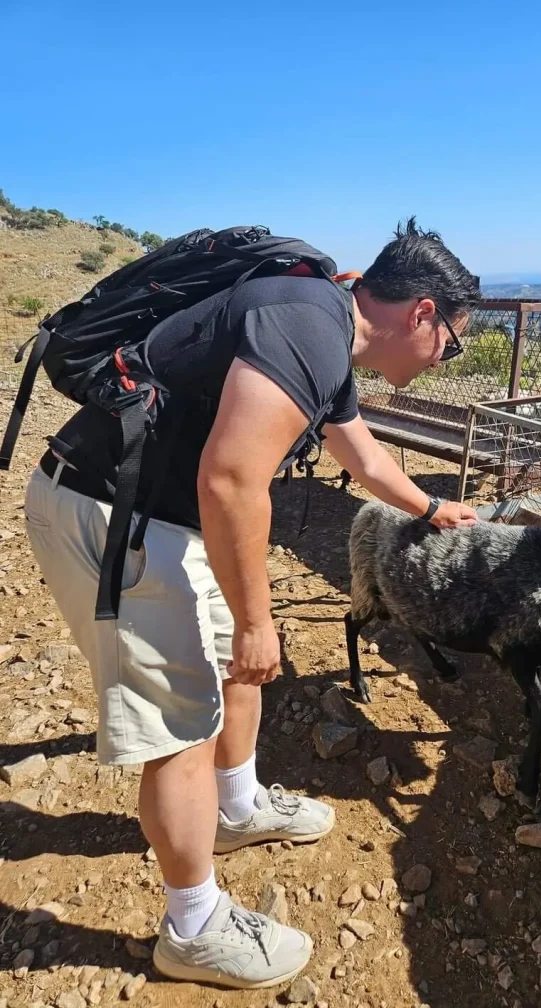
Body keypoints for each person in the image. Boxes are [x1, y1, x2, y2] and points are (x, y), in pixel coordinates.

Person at [23, 217, 481, 990]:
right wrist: (259, 619)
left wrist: (432, 509)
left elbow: (359, 452)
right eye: (452, 343)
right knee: (181, 725)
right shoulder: (308, 323)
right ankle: (192, 927)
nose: (446, 360)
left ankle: (233, 809)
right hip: (117, 517)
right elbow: (232, 479)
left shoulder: (323, 324)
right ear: (422, 314)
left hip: (160, 516)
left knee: (237, 671)